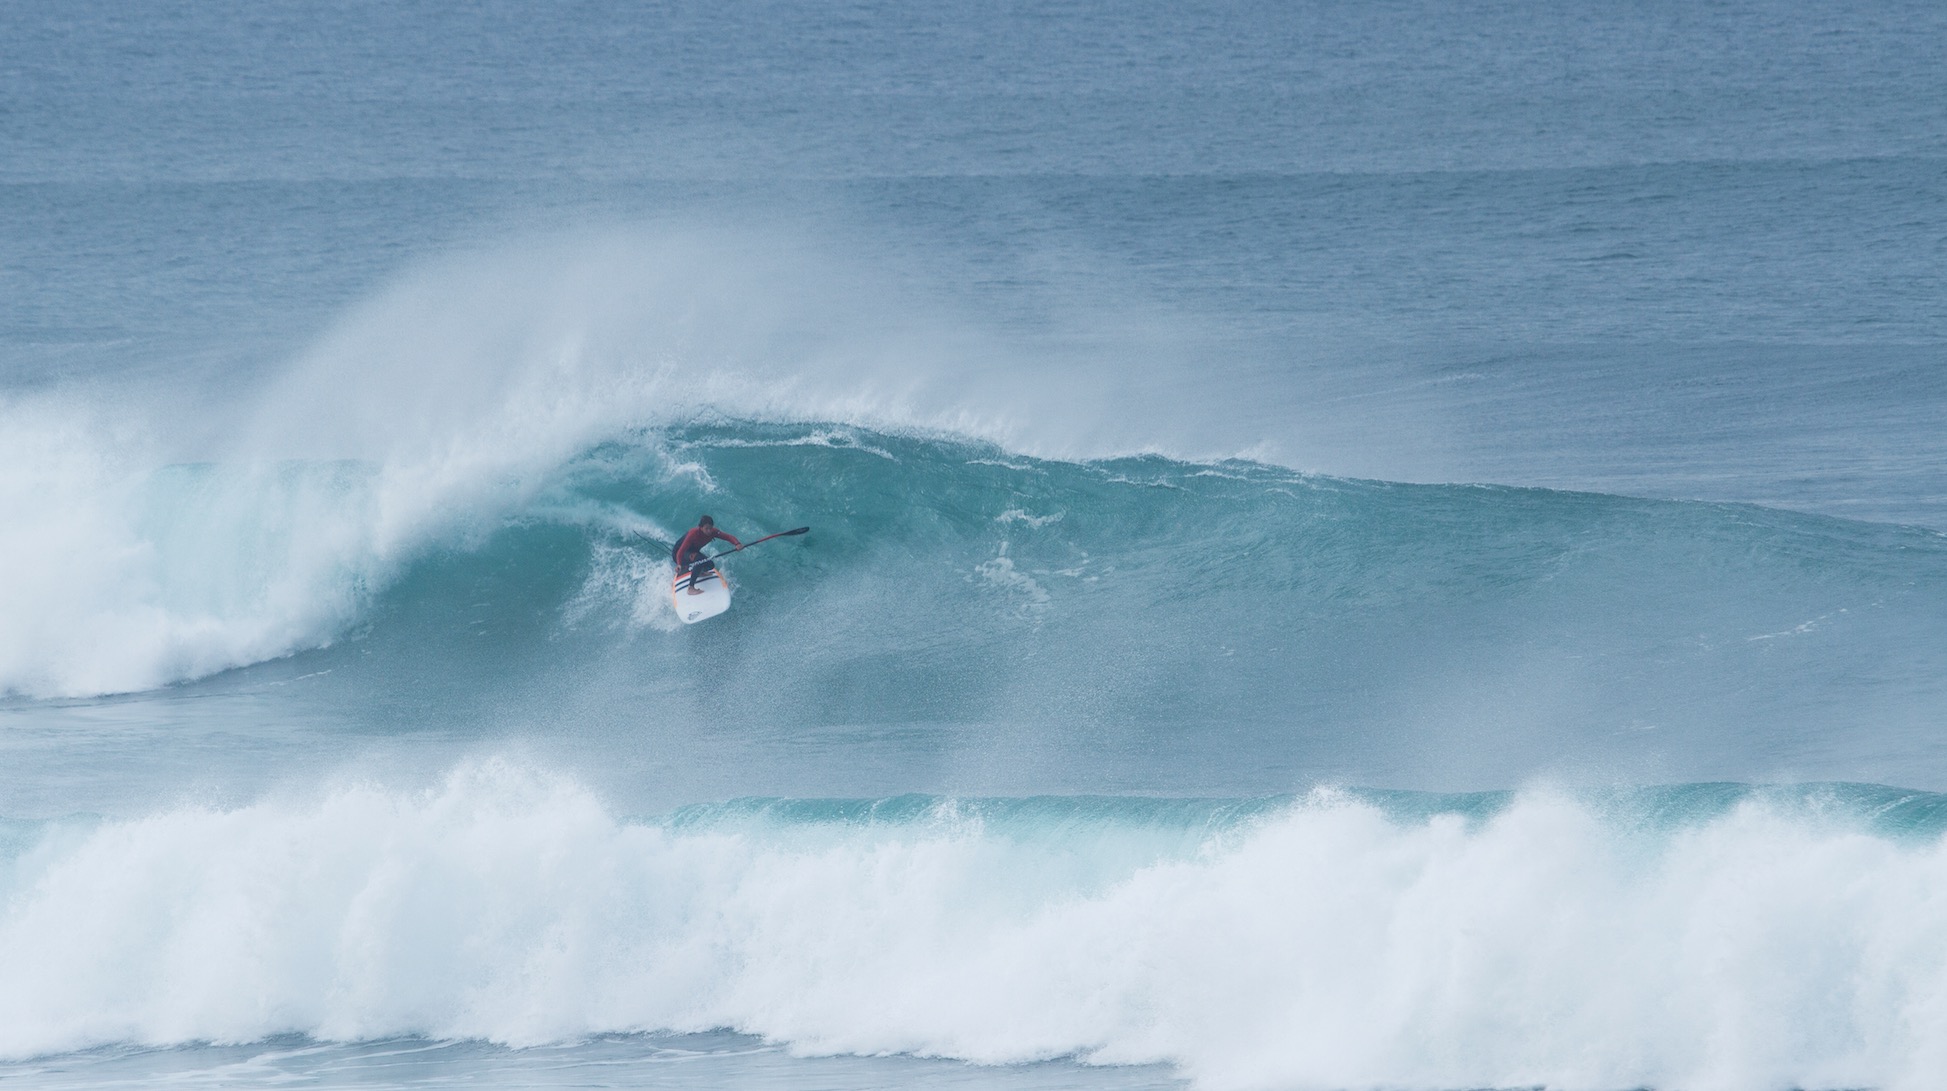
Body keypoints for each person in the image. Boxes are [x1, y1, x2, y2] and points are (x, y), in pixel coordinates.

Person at [672, 515, 741, 594]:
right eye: (706, 528)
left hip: (692, 552)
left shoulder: (713, 532)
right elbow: (681, 551)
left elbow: (727, 537)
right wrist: (679, 564)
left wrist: (737, 543)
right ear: (701, 528)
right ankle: (690, 588)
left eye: (710, 528)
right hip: (678, 554)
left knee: (710, 565)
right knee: (699, 559)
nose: (709, 531)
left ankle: (699, 572)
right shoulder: (693, 533)